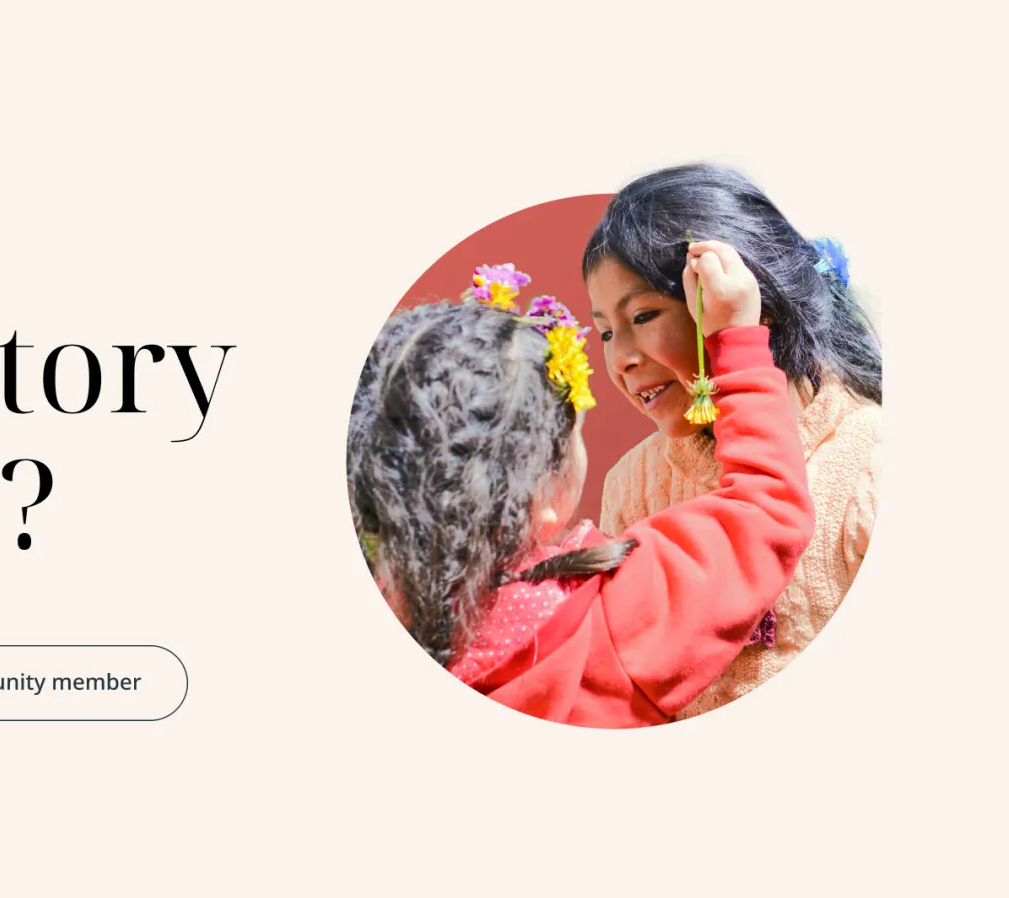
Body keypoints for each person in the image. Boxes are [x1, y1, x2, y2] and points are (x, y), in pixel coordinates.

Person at [347, 253, 812, 728]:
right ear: (543, 495)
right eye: (572, 432)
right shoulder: (611, 617)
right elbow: (766, 508)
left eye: (643, 316)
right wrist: (736, 339)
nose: (623, 359)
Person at [585, 163, 882, 719]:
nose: (620, 358)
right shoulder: (629, 486)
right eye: (604, 330)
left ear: (746, 301)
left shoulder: (874, 468)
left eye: (643, 315)